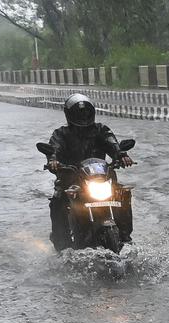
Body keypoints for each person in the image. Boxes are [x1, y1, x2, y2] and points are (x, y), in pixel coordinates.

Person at [45, 93, 134, 250]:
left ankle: (125, 236)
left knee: (123, 193)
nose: (83, 116)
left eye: (86, 112)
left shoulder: (100, 130)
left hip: (100, 178)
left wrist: (121, 155)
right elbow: (55, 148)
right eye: (79, 113)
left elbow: (112, 143)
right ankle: (62, 243)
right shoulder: (61, 134)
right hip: (71, 180)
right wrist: (53, 161)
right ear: (69, 114)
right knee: (58, 200)